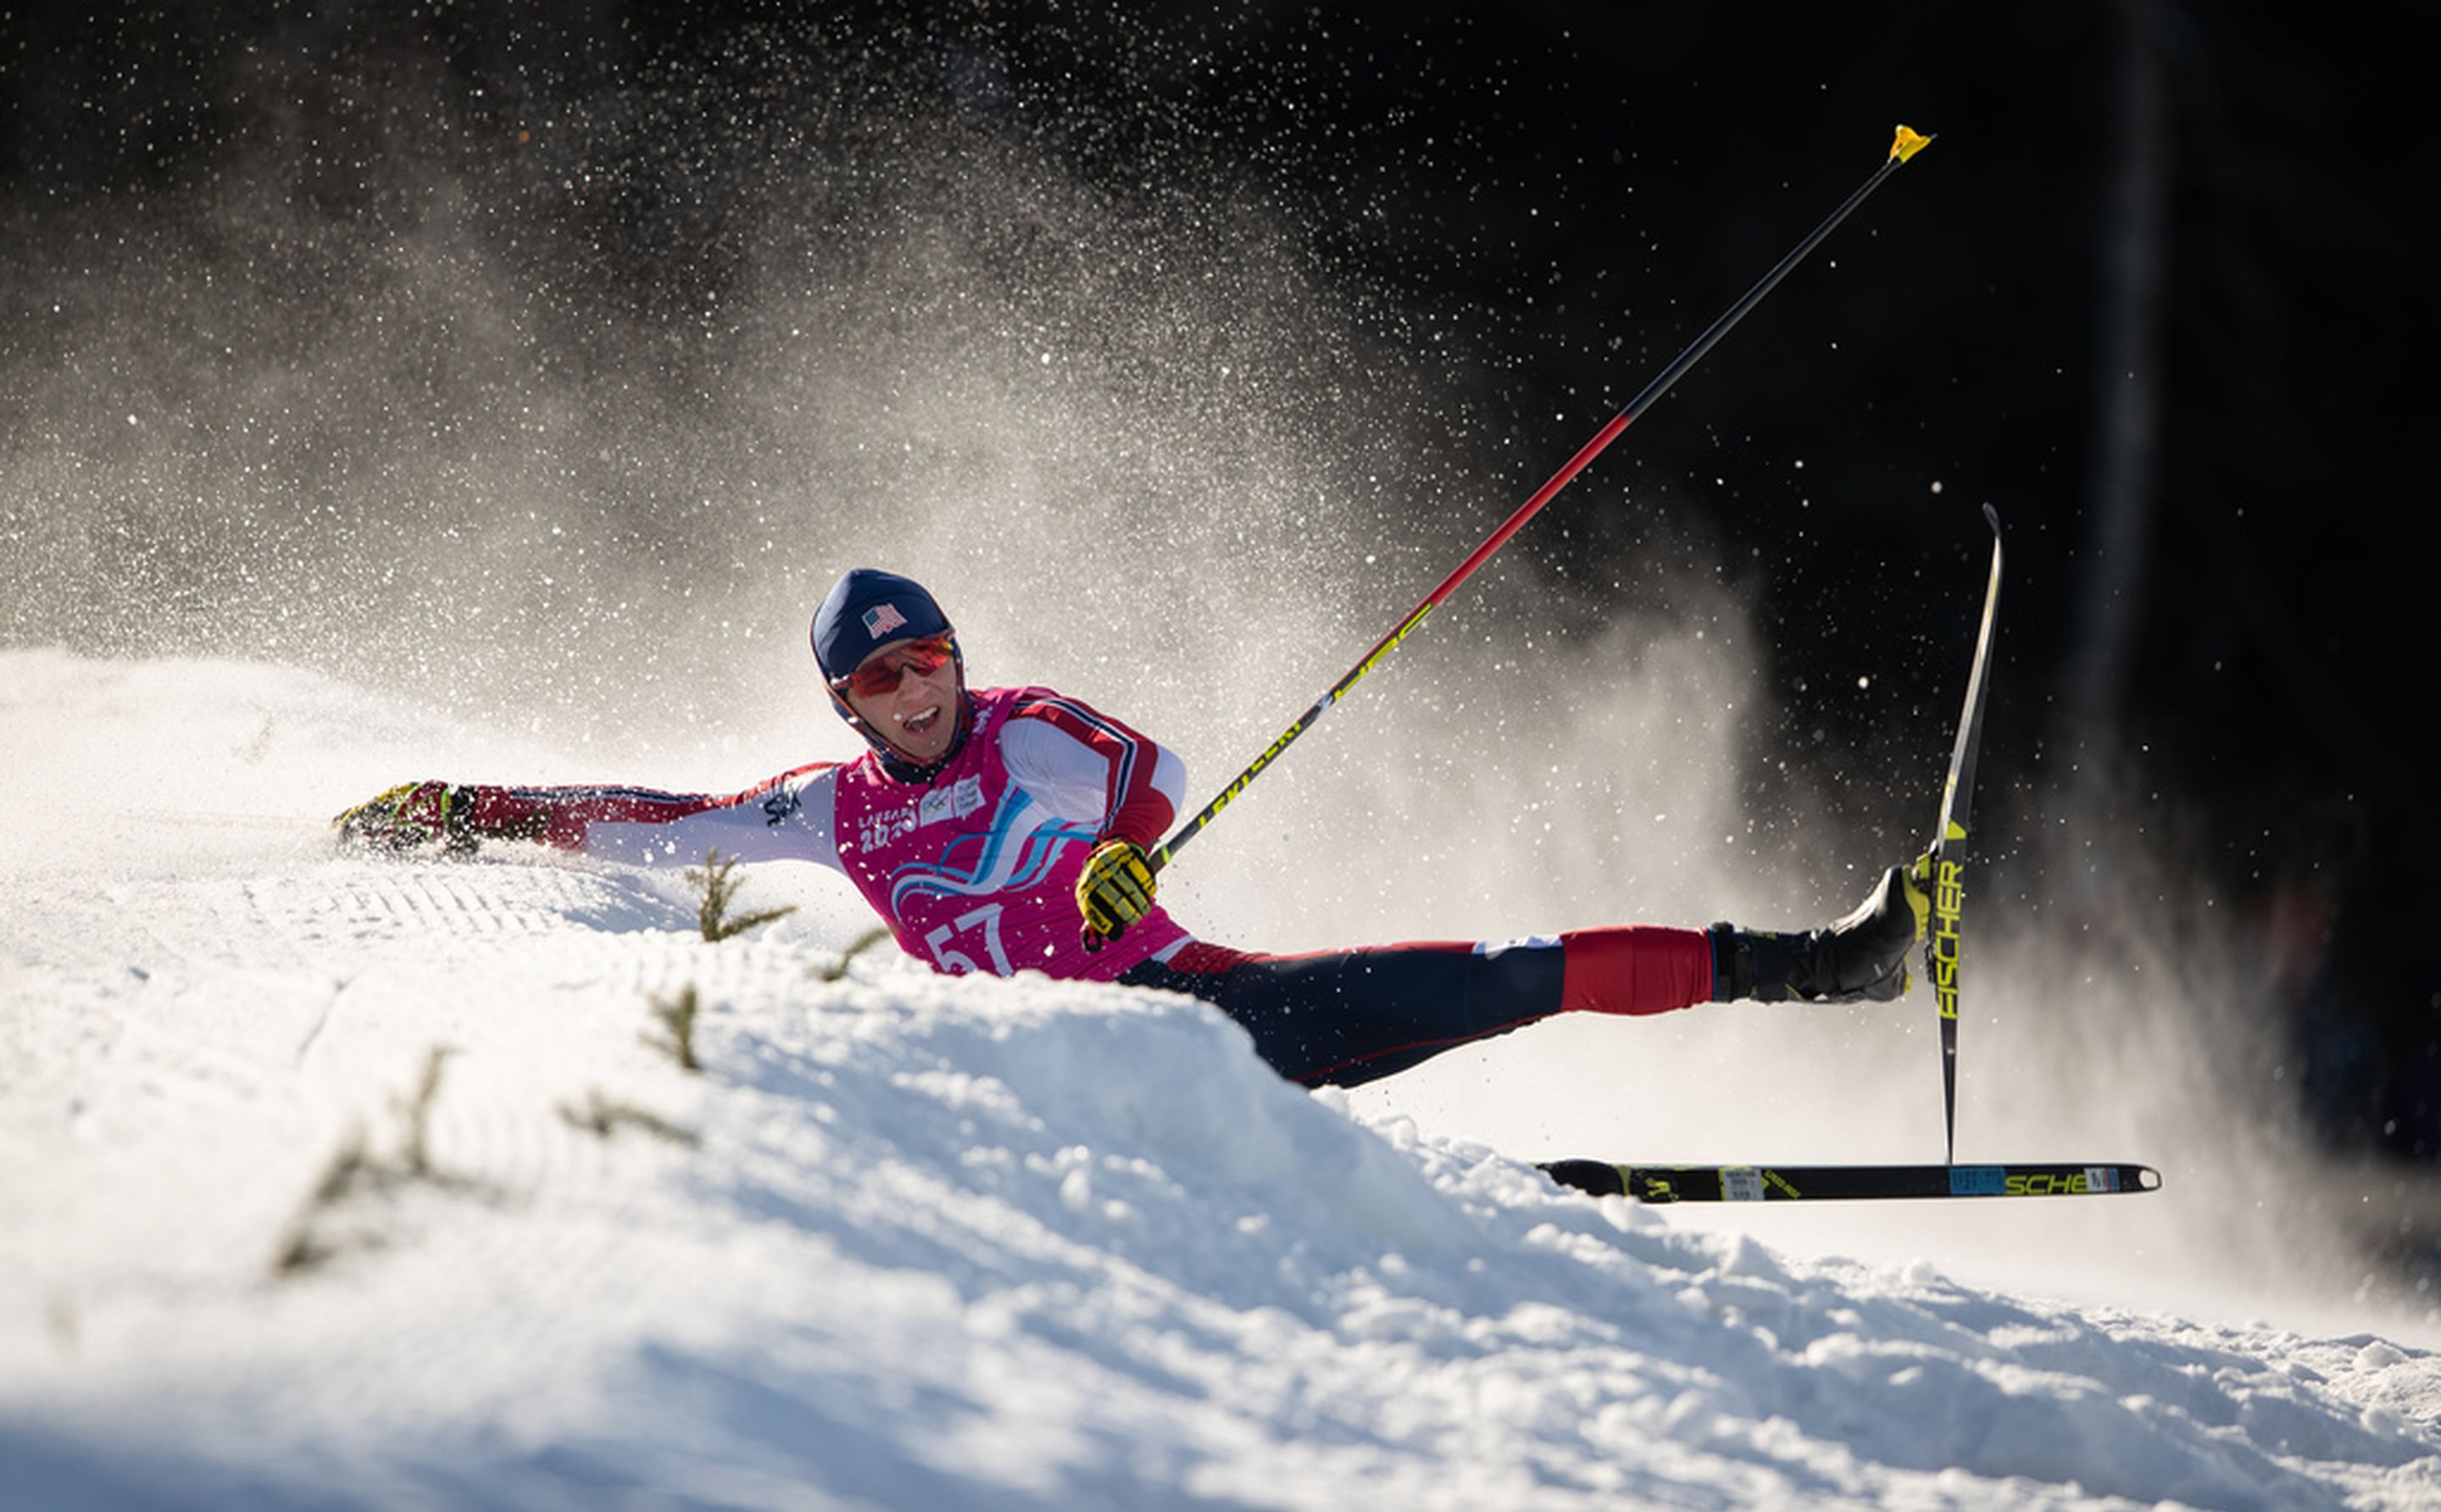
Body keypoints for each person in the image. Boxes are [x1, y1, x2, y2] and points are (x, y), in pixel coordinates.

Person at [336, 567, 1927, 1088]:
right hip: (1038, 1084)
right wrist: (472, 805)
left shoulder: (1027, 728)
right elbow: (659, 825)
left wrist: (1126, 856)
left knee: (1499, 970)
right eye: (883, 677)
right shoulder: (829, 811)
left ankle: (1830, 967)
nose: (918, 690)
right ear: (845, 703)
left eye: (931, 657)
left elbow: (1147, 774)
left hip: (1192, 1013)